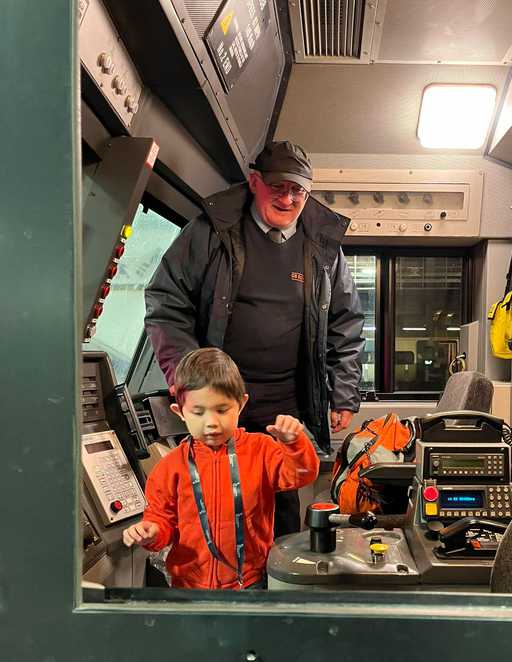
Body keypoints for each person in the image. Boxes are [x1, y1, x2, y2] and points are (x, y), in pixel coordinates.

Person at [145, 140, 364, 537]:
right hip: (219, 401)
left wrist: (344, 392)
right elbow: (166, 302)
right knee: (211, 505)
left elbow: (345, 323)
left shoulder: (324, 249)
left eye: (298, 189)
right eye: (278, 186)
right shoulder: (212, 231)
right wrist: (188, 379)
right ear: (255, 182)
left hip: (285, 405)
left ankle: (268, 591)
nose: (288, 198)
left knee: (277, 508)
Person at [122, 347, 320, 590]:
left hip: (250, 581)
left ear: (241, 404)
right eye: (198, 412)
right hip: (188, 586)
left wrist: (293, 443)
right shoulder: (169, 467)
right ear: (179, 412)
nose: (212, 423)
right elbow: (161, 519)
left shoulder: (261, 450)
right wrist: (151, 533)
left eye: (222, 410)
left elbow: (301, 474)